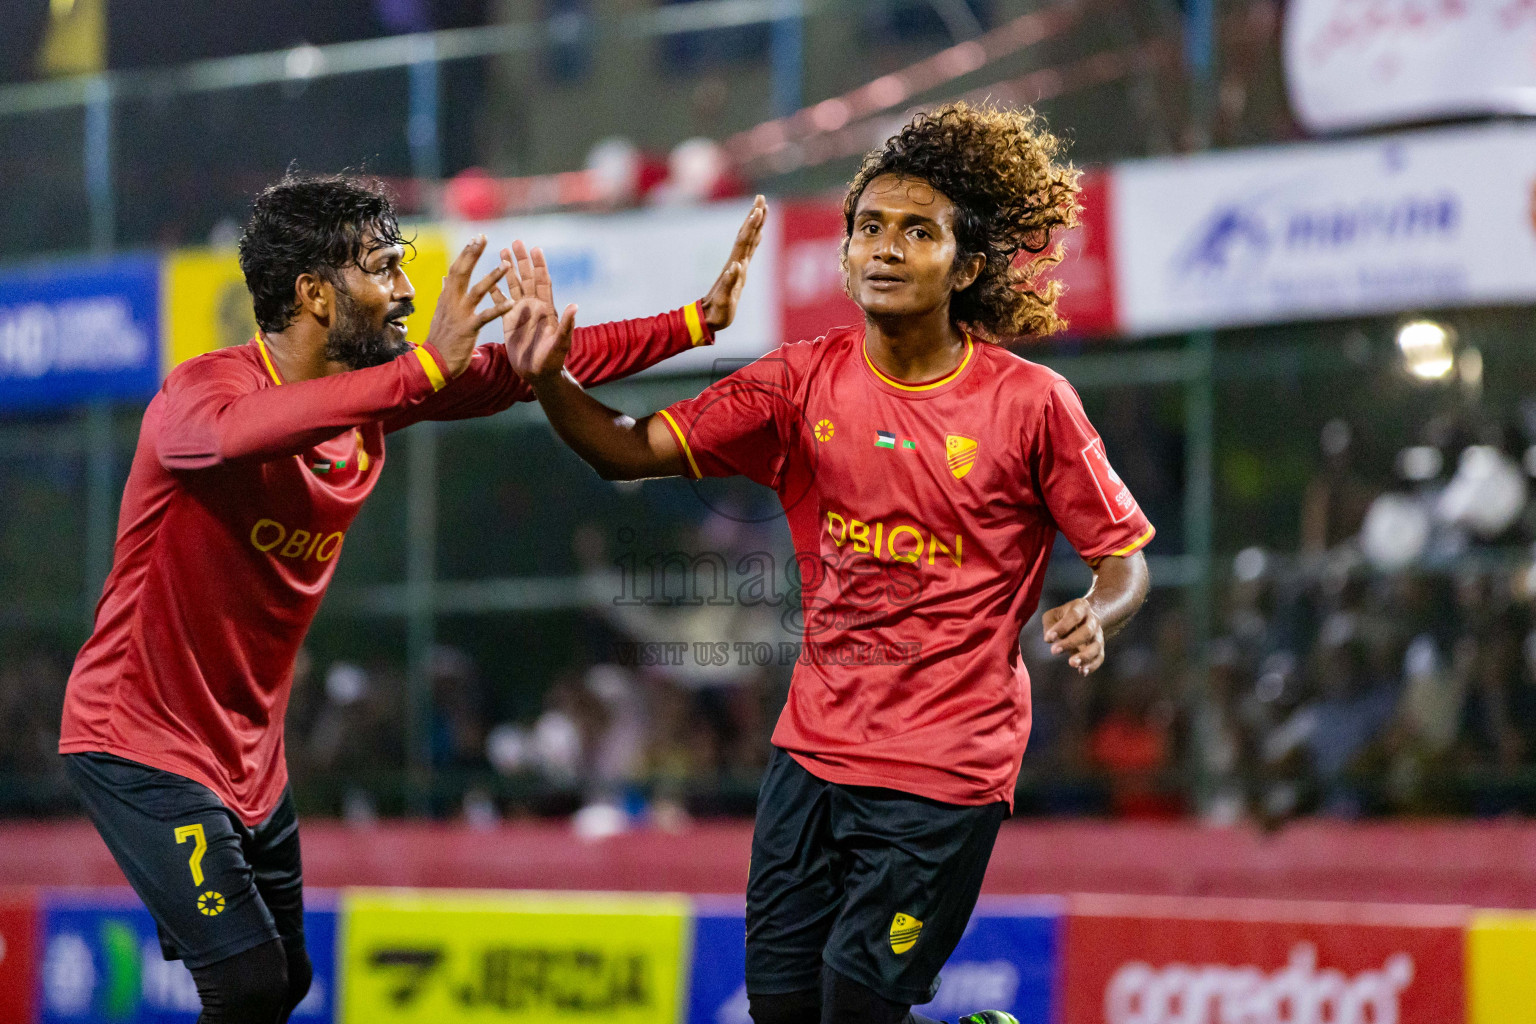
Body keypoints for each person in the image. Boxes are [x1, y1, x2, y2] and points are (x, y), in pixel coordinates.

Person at [58, 172, 765, 1024]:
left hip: (251, 758)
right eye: (383, 269)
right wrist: (428, 367)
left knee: (282, 984)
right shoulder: (199, 394)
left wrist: (696, 322)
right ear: (315, 294)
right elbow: (237, 435)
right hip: (140, 743)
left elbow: (524, 368)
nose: (405, 291)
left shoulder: (373, 398)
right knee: (243, 983)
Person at [501, 102, 1153, 1024]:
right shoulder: (797, 380)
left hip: (946, 770)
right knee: (779, 1007)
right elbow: (624, 449)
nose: (884, 248)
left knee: (855, 1000)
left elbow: (1123, 556)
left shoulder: (1033, 403)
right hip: (811, 753)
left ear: (965, 267)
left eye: (916, 232)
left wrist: (1102, 605)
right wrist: (545, 377)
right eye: (868, 229)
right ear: (844, 256)